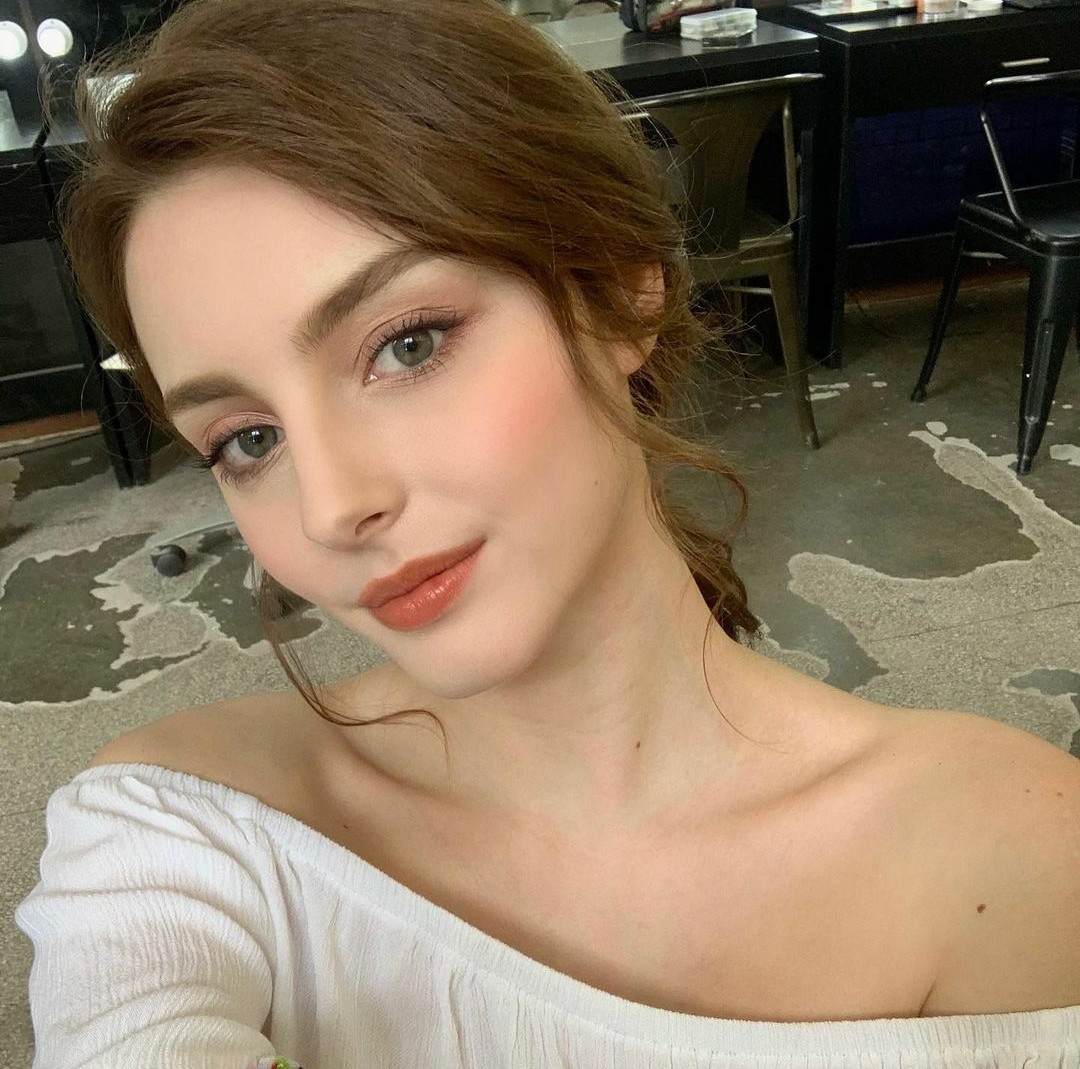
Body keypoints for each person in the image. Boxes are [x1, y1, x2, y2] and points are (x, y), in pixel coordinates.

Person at [14, 0, 1080, 1066]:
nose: (332, 506)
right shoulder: (181, 836)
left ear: (617, 290)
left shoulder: (1013, 857)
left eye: (407, 344)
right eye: (248, 439)